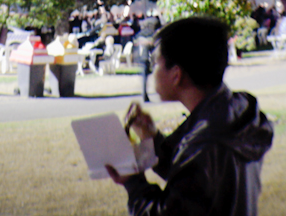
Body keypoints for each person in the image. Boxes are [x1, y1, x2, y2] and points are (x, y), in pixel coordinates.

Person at [107, 16, 274, 216]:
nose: (152, 73)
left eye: (156, 64)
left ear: (176, 75)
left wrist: (133, 181)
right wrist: (152, 138)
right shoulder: (235, 110)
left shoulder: (205, 142)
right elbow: (196, 182)